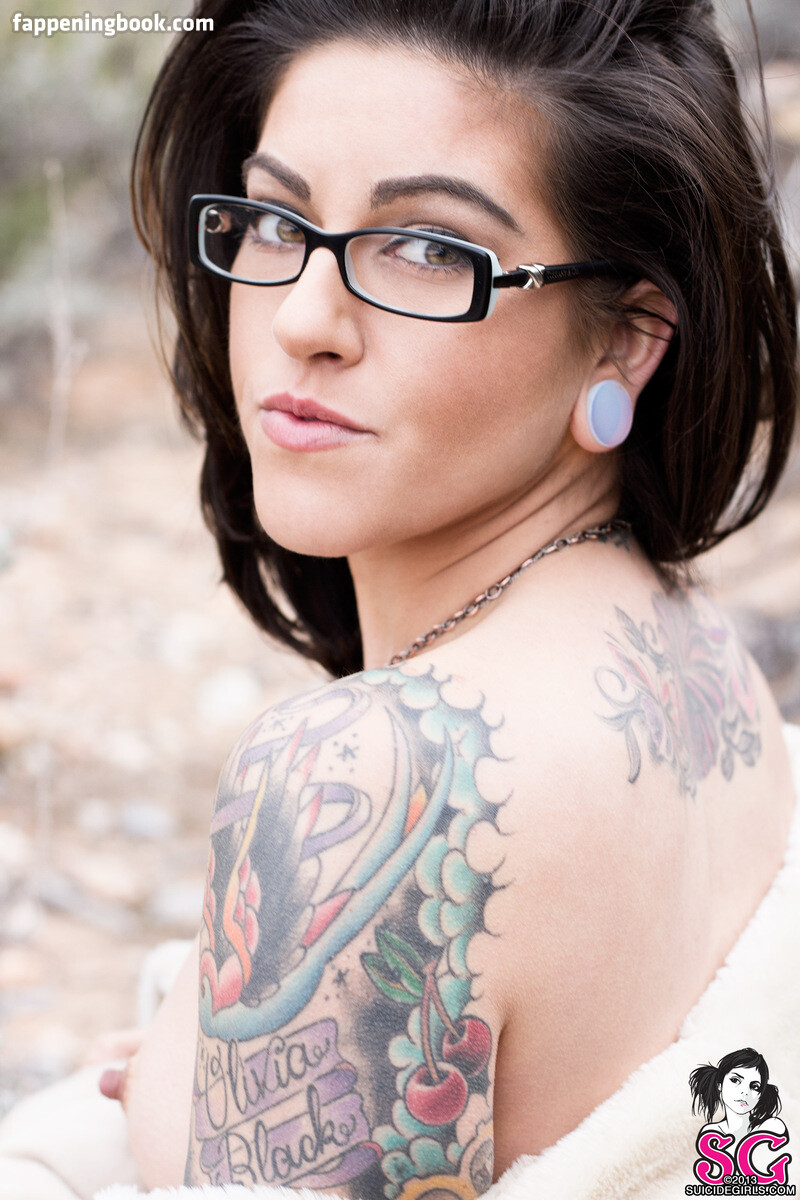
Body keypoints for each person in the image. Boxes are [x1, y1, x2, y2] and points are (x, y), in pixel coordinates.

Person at [109, 0, 799, 1194]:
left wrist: (166, 1109)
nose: (304, 320)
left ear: (625, 340)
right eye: (273, 219)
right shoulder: (689, 647)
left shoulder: (375, 765)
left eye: (428, 249)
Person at [689, 1048, 790, 1182]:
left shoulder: (772, 1127)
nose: (745, 1092)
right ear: (719, 1084)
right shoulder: (711, 1134)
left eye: (754, 1087)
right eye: (735, 1080)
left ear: (760, 1096)